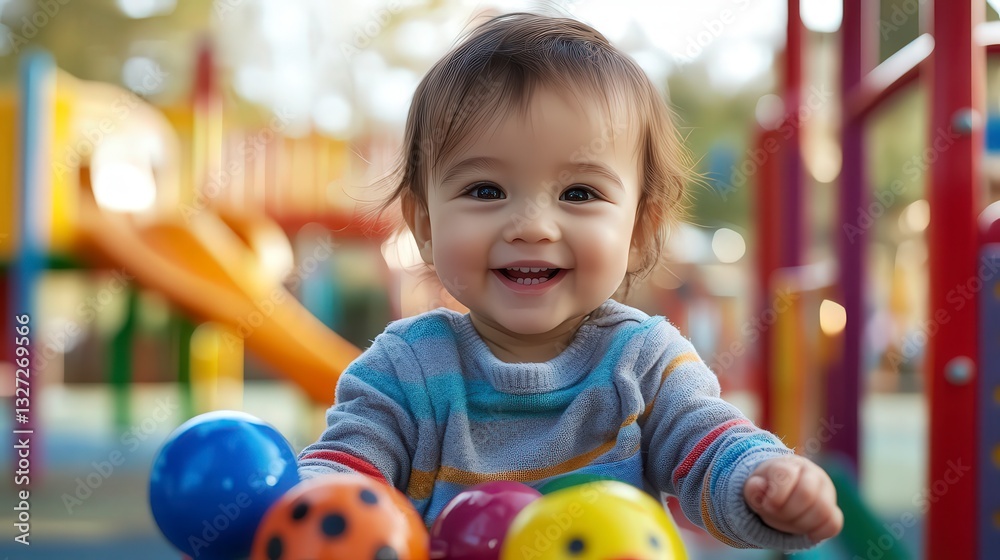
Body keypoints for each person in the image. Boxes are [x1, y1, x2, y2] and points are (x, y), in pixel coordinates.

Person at [298, 12, 843, 551]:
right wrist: (306, 500)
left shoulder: (645, 362)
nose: (533, 226)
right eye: (486, 190)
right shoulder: (403, 371)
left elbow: (710, 445)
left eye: (579, 193)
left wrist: (761, 481)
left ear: (638, 230)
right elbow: (342, 473)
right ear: (423, 225)